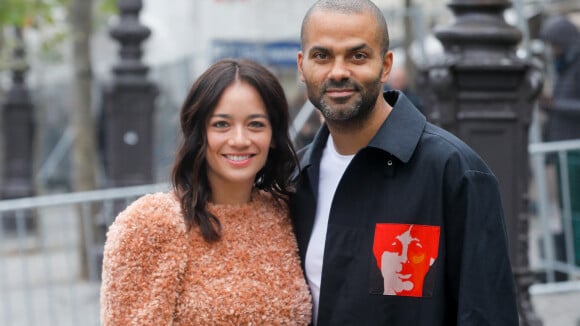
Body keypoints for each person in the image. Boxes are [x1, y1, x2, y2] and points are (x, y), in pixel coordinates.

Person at [290, 0, 519, 324]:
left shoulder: (455, 172)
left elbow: (486, 314)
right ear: (302, 67)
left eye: (358, 56)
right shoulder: (294, 179)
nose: (338, 72)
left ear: (385, 65)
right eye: (321, 56)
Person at [100, 58, 312, 325]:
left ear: (273, 136)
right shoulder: (151, 224)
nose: (239, 140)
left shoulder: (287, 212)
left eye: (255, 124)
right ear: (199, 134)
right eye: (222, 124)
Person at [538, 15, 580, 142]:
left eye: (555, 45)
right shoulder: (562, 68)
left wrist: (555, 104)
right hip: (561, 143)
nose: (552, 50)